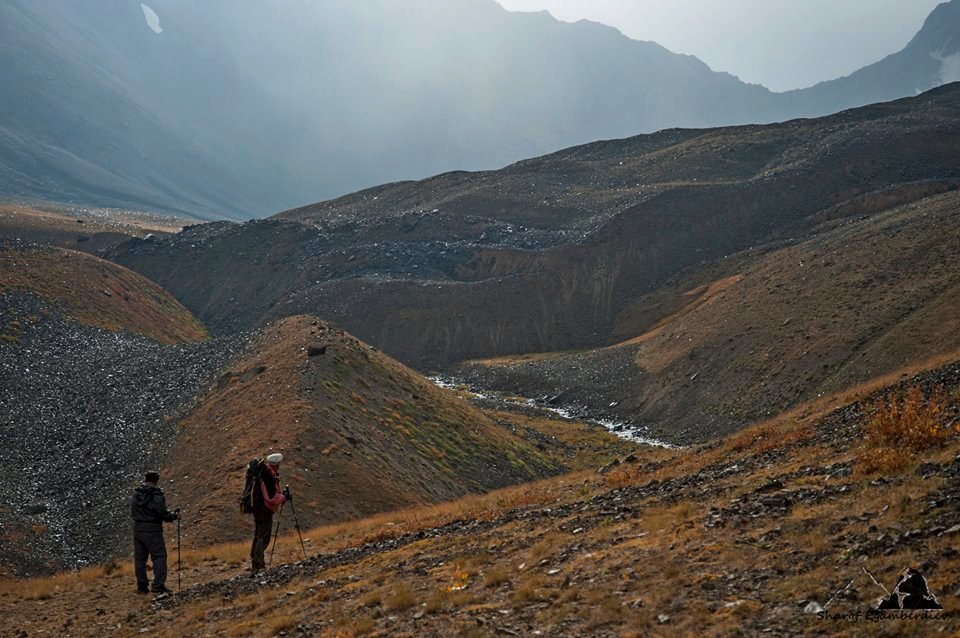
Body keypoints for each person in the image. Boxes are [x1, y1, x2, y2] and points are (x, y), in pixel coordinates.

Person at [131, 470, 180, 594]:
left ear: (145, 479)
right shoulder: (156, 495)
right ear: (156, 480)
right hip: (152, 529)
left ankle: (142, 586)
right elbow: (162, 513)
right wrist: (174, 516)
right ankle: (158, 585)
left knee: (140, 559)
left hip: (138, 528)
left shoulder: (137, 493)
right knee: (159, 556)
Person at [251, 453, 288, 573]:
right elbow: (271, 498)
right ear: (276, 465)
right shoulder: (268, 477)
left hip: (258, 510)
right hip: (264, 510)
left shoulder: (263, 474)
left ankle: (255, 564)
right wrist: (283, 498)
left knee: (258, 535)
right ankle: (259, 564)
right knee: (264, 537)